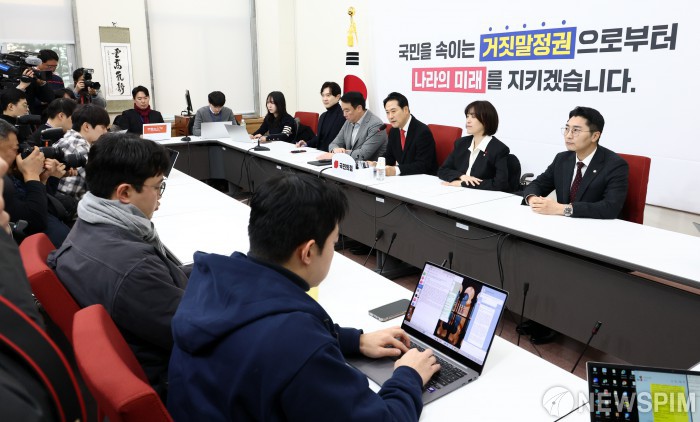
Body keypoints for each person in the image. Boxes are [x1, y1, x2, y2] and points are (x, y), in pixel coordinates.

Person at [167, 173, 440, 421]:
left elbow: (263, 326)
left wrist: (353, 341)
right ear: (308, 252)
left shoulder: (211, 282)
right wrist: (409, 376)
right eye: (333, 243)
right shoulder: (296, 343)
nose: (333, 252)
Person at [47, 133, 187, 399]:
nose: (160, 197)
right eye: (158, 187)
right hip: (169, 377)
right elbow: (195, 331)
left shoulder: (87, 223)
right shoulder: (135, 268)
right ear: (124, 192)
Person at [522, 106, 629, 219]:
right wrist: (533, 199)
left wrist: (561, 209)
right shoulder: (562, 159)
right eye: (567, 129)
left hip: (595, 226)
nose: (568, 136)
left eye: (576, 130)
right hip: (563, 224)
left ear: (595, 136)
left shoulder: (615, 165)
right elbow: (538, 184)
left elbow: (610, 207)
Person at [0, 119, 70, 247]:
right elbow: (35, 220)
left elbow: (42, 207)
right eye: (15, 149)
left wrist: (43, 180)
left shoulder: (10, 176)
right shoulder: (3, 183)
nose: (18, 155)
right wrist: (31, 175)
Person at [438, 100, 510, 191]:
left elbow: (500, 184)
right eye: (467, 116)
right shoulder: (461, 143)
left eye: (473, 116)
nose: (468, 121)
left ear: (486, 120)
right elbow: (442, 170)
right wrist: (461, 176)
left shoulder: (498, 149)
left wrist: (462, 184)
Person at [54, 104, 110, 201]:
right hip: (71, 204)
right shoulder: (79, 148)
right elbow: (102, 182)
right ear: (86, 126)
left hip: (59, 199)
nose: (106, 132)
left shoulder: (67, 139)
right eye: (103, 127)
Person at [378, 92, 437, 176]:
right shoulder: (394, 131)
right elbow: (390, 157)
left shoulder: (422, 132)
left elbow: (423, 165)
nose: (390, 116)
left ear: (405, 110)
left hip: (423, 179)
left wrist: (395, 170)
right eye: (387, 112)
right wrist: (376, 164)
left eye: (393, 111)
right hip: (405, 178)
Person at [323, 91, 387, 161]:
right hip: (349, 164)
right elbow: (334, 143)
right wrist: (335, 149)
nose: (344, 114)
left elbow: (363, 155)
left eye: (347, 111)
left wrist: (338, 154)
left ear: (359, 108)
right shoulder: (349, 121)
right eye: (343, 111)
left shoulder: (376, 125)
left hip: (370, 166)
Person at [295, 82, 345, 151]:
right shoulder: (323, 116)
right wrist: (306, 143)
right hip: (318, 152)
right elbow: (319, 138)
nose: (325, 99)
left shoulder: (344, 116)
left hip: (332, 154)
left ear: (338, 97)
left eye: (328, 95)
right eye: (323, 95)